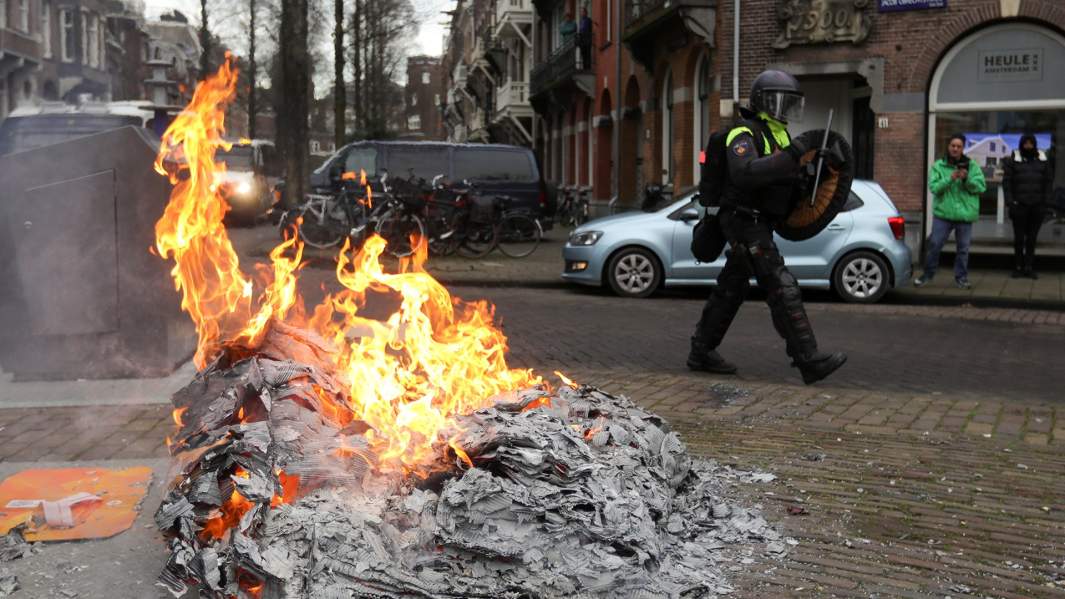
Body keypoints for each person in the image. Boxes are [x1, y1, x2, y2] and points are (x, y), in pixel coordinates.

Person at [688, 70, 848, 385]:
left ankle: (701, 351)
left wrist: (816, 172)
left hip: (762, 221)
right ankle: (807, 359)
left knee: (732, 287)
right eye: (779, 101)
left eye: (791, 102)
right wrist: (795, 153)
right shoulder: (743, 133)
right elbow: (746, 173)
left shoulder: (783, 136)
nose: (786, 108)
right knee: (780, 283)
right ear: (762, 101)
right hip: (743, 220)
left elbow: (786, 184)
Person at [914, 134, 986, 289]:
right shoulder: (938, 166)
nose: (955, 148)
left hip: (965, 215)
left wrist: (967, 180)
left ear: (963, 148)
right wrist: (950, 179)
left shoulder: (972, 165)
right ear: (948, 147)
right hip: (943, 214)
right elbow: (934, 188)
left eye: (959, 146)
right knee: (934, 245)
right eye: (953, 145)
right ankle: (927, 275)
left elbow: (981, 187)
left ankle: (961, 278)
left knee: (963, 250)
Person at [1003, 133, 1053, 279]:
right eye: (1026, 143)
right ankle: (1018, 267)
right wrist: (1010, 202)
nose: (1028, 146)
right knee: (1019, 239)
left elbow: (1048, 182)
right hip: (1019, 206)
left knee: (1031, 239)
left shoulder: (1043, 160)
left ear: (1034, 145)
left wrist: (1045, 202)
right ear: (1021, 144)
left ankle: (1029, 267)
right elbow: (1007, 182)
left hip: (1037, 206)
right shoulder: (1014, 159)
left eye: (1031, 143)